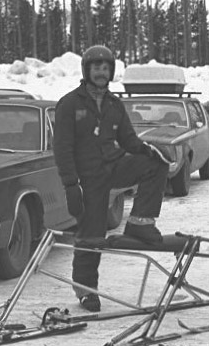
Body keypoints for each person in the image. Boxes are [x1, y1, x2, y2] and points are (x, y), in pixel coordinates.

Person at [53, 45, 172, 312]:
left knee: (156, 164)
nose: (101, 73)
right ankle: (86, 291)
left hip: (113, 165)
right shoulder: (70, 104)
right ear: (87, 70)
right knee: (90, 236)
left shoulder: (114, 105)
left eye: (106, 68)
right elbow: (62, 147)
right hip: (88, 178)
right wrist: (71, 184)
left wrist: (147, 150)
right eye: (96, 68)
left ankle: (141, 223)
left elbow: (128, 140)